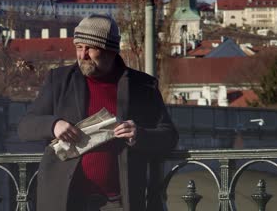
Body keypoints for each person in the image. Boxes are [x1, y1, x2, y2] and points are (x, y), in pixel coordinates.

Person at [18, 14, 178, 211]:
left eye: (91, 48)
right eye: (79, 47)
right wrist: (53, 125)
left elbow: (169, 136)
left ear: (111, 50)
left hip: (118, 201)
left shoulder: (142, 85)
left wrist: (140, 134)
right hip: (65, 199)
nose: (82, 55)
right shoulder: (59, 80)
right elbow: (25, 126)